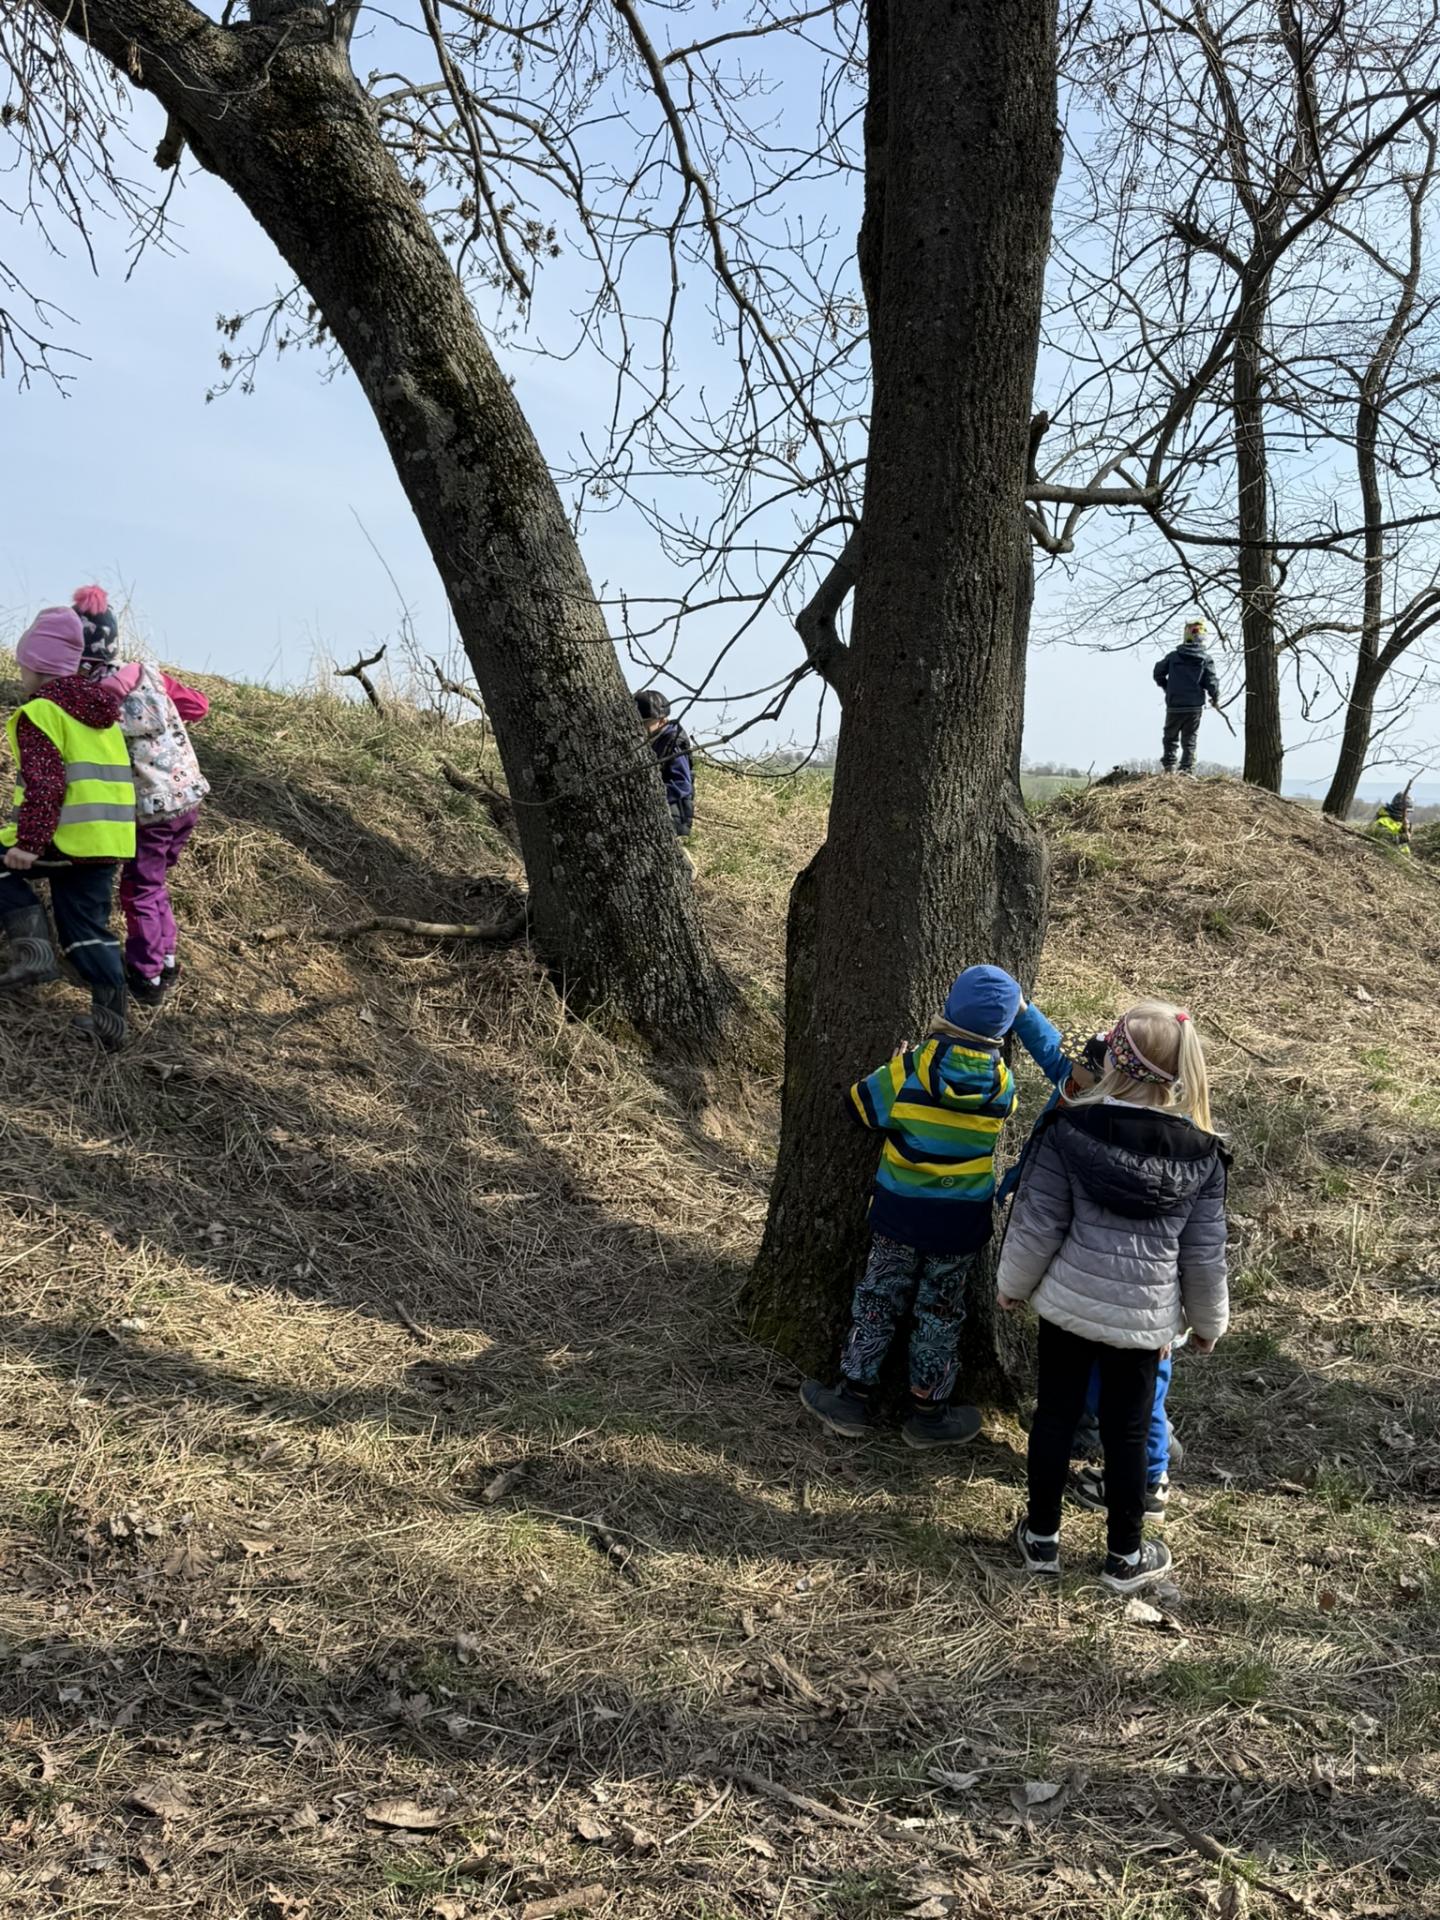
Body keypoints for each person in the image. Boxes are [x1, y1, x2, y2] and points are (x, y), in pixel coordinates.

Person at [997, 1001, 1229, 1594]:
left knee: (1054, 1418)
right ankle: (1125, 1556)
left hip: (1068, 1306)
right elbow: (1204, 1253)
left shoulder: (1068, 1129)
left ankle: (1041, 1540)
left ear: (1113, 1061)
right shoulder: (1203, 1153)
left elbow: (1038, 1222)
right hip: (1143, 1323)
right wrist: (1208, 1322)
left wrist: (1011, 1286)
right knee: (1127, 1433)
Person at [800, 966, 1057, 1450]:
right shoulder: (1002, 1083)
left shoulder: (914, 1067)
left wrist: (890, 1068)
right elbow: (1007, 1112)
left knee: (879, 1298)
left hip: (900, 1213)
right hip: (960, 1221)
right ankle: (929, 1412)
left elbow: (858, 1107)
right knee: (941, 1311)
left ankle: (852, 1397)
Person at [998, 1015, 1184, 1516]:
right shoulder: (1079, 1092)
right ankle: (1128, 1450)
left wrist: (1014, 1283)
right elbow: (1048, 1049)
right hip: (1119, 1299)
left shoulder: (1099, 1134)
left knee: (1140, 1401)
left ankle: (1151, 1477)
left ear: (1114, 1077)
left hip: (1134, 1310)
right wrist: (1021, 1010)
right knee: (1114, 1390)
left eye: (1087, 1066)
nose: (1076, 1071)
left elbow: (1048, 1224)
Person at [0, 607, 136, 1050]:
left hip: (62, 836)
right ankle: (111, 1022)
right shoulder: (102, 715)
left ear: (38, 665)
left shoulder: (41, 712)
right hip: (107, 842)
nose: (21, 674)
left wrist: (28, 844)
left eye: (23, 665)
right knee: (85, 929)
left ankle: (33, 951)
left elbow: (46, 784)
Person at [74, 588, 210, 1005]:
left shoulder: (89, 698)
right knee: (155, 884)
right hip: (188, 798)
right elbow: (199, 706)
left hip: (151, 811)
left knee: (139, 888)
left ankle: (147, 975)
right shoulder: (150, 675)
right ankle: (165, 958)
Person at [1153, 618, 1221, 774]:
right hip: (1194, 706)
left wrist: (1167, 687)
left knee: (1170, 737)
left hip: (1174, 704)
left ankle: (1169, 767)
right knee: (1190, 739)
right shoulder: (1206, 659)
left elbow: (1158, 673)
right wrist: (1215, 698)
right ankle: (1186, 769)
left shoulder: (1173, 657)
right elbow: (1211, 682)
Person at [635, 690, 694, 838]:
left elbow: (683, 784)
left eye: (644, 723)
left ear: (662, 721)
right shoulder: (651, 739)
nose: (639, 727)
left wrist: (650, 795)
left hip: (674, 815)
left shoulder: (674, 743)